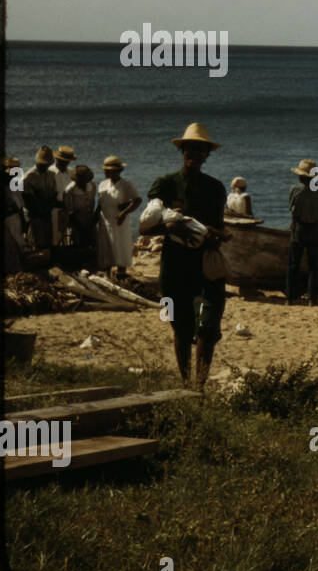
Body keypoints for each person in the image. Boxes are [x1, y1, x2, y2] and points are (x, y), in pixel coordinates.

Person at [139, 123, 230, 388]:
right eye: (190, 148)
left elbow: (220, 226)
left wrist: (218, 235)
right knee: (181, 327)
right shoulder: (165, 185)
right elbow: (145, 227)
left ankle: (199, 386)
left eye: (200, 149)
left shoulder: (216, 188)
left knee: (209, 328)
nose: (195, 153)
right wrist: (168, 226)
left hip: (206, 265)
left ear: (207, 155)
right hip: (175, 266)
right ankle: (185, 383)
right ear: (182, 151)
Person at [287, 158, 318, 305]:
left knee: (293, 264)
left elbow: (291, 209)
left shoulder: (295, 189)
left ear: (301, 175)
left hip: (299, 228)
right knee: (314, 266)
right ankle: (312, 298)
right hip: (315, 228)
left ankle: (291, 298)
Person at [96, 156, 141, 278]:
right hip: (105, 220)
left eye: (108, 170)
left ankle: (121, 273)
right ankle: (107, 274)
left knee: (121, 245)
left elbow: (137, 200)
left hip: (119, 220)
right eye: (105, 170)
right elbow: (100, 204)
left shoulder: (127, 185)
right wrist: (94, 219)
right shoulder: (102, 185)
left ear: (116, 171)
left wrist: (124, 212)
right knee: (106, 246)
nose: (105, 172)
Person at [22, 146, 58, 257]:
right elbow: (27, 200)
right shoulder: (28, 177)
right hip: (35, 215)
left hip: (47, 213)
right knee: (37, 244)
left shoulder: (51, 175)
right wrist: (40, 210)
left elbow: (54, 194)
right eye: (43, 164)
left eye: (47, 165)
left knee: (49, 243)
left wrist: (49, 207)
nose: (45, 167)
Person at [62, 165, 99, 271]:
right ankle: (79, 267)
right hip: (76, 221)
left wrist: (92, 221)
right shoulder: (69, 190)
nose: (83, 182)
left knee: (93, 243)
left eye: (85, 180)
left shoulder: (92, 185)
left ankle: (92, 267)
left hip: (90, 219)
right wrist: (80, 227)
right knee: (78, 243)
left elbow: (93, 203)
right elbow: (70, 212)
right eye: (81, 180)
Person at [2, 157, 26, 275]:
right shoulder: (3, 186)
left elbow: (20, 205)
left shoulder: (16, 183)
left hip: (16, 217)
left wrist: (23, 220)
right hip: (9, 219)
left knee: (20, 243)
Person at [51, 145, 77, 247]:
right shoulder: (50, 173)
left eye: (67, 161)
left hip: (69, 210)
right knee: (54, 237)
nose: (65, 163)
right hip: (54, 210)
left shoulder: (71, 173)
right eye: (63, 160)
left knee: (68, 237)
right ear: (57, 159)